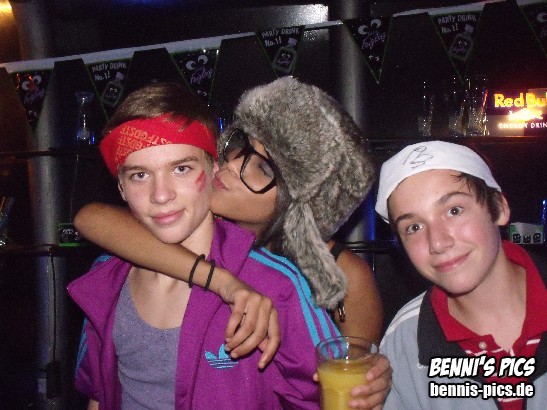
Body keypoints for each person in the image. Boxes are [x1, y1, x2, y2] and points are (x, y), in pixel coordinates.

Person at [74, 77, 389, 409]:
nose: (233, 165)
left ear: (296, 205)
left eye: (263, 169)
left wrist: (370, 383)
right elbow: (92, 219)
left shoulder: (298, 279)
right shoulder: (121, 265)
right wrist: (221, 281)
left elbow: (343, 386)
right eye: (241, 146)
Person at [375, 140, 546, 409]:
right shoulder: (405, 341)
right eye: (414, 227)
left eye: (454, 211)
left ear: (499, 208)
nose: (438, 242)